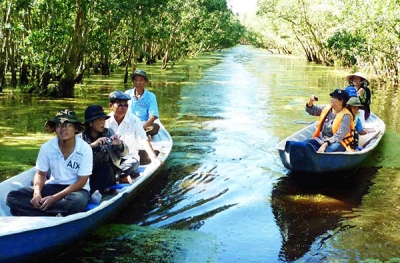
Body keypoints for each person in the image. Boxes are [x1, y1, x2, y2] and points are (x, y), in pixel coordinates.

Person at [6, 109, 93, 217]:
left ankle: (28, 212)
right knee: (12, 197)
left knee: (74, 204)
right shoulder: (47, 147)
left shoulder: (85, 149)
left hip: (76, 190)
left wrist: (54, 198)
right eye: (59, 125)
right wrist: (36, 193)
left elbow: (81, 181)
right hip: (53, 186)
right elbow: (40, 174)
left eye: (68, 124)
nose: (63, 128)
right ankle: (55, 213)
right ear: (54, 128)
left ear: (75, 128)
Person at [105, 90, 162, 183]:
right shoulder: (106, 121)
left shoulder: (134, 120)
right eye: (120, 105)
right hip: (112, 159)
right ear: (111, 106)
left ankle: (116, 177)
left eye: (126, 105)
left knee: (132, 163)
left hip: (129, 158)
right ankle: (121, 177)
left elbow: (143, 139)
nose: (123, 108)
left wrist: (153, 158)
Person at [286, 89, 355, 153]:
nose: (331, 99)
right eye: (332, 97)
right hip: (320, 140)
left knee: (328, 151)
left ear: (341, 101)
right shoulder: (326, 108)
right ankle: (293, 147)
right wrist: (310, 101)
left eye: (334, 98)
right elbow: (311, 110)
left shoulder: (346, 116)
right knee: (305, 144)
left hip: (338, 143)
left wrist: (325, 145)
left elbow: (338, 136)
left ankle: (315, 154)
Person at [80, 105, 129, 195]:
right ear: (90, 123)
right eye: (100, 120)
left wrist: (120, 145)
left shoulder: (109, 132)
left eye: (104, 119)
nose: (103, 123)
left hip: (108, 172)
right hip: (87, 173)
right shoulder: (81, 138)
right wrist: (93, 145)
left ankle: (92, 193)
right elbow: (76, 155)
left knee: (105, 168)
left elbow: (125, 153)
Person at [125, 69, 160, 137]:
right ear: (133, 82)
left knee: (155, 128)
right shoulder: (127, 94)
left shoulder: (151, 96)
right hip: (128, 123)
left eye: (141, 80)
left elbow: (154, 115)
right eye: (136, 80)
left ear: (145, 82)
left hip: (143, 124)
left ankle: (140, 134)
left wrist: (143, 126)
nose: (138, 82)